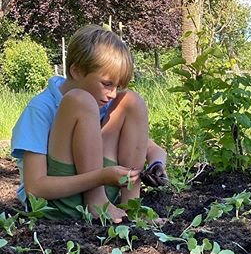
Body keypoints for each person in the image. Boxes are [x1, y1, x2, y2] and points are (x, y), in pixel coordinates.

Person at [10, 24, 168, 223]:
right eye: (107, 84)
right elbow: (36, 188)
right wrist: (100, 178)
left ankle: (131, 207)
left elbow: (150, 148)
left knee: (131, 101)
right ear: (76, 71)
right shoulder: (40, 109)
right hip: (56, 204)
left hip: (106, 191)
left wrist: (157, 164)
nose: (112, 94)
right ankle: (96, 201)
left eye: (116, 85)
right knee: (80, 100)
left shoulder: (104, 102)